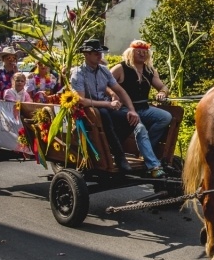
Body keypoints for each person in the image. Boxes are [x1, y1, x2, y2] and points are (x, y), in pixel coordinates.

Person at [69, 39, 140, 173]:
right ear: (86, 54)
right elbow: (82, 101)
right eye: (96, 53)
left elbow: (120, 90)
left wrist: (132, 110)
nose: (99, 55)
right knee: (104, 113)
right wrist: (108, 104)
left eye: (100, 53)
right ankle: (119, 156)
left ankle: (110, 145)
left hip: (104, 106)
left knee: (131, 118)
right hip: (88, 110)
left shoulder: (104, 70)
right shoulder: (78, 73)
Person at [110, 40, 173, 178]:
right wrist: (113, 95)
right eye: (138, 51)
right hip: (125, 110)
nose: (142, 54)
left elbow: (163, 87)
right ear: (131, 52)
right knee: (140, 128)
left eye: (145, 52)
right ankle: (154, 166)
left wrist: (162, 93)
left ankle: (146, 149)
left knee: (165, 117)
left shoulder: (150, 70)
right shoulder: (120, 68)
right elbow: (105, 83)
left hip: (144, 109)